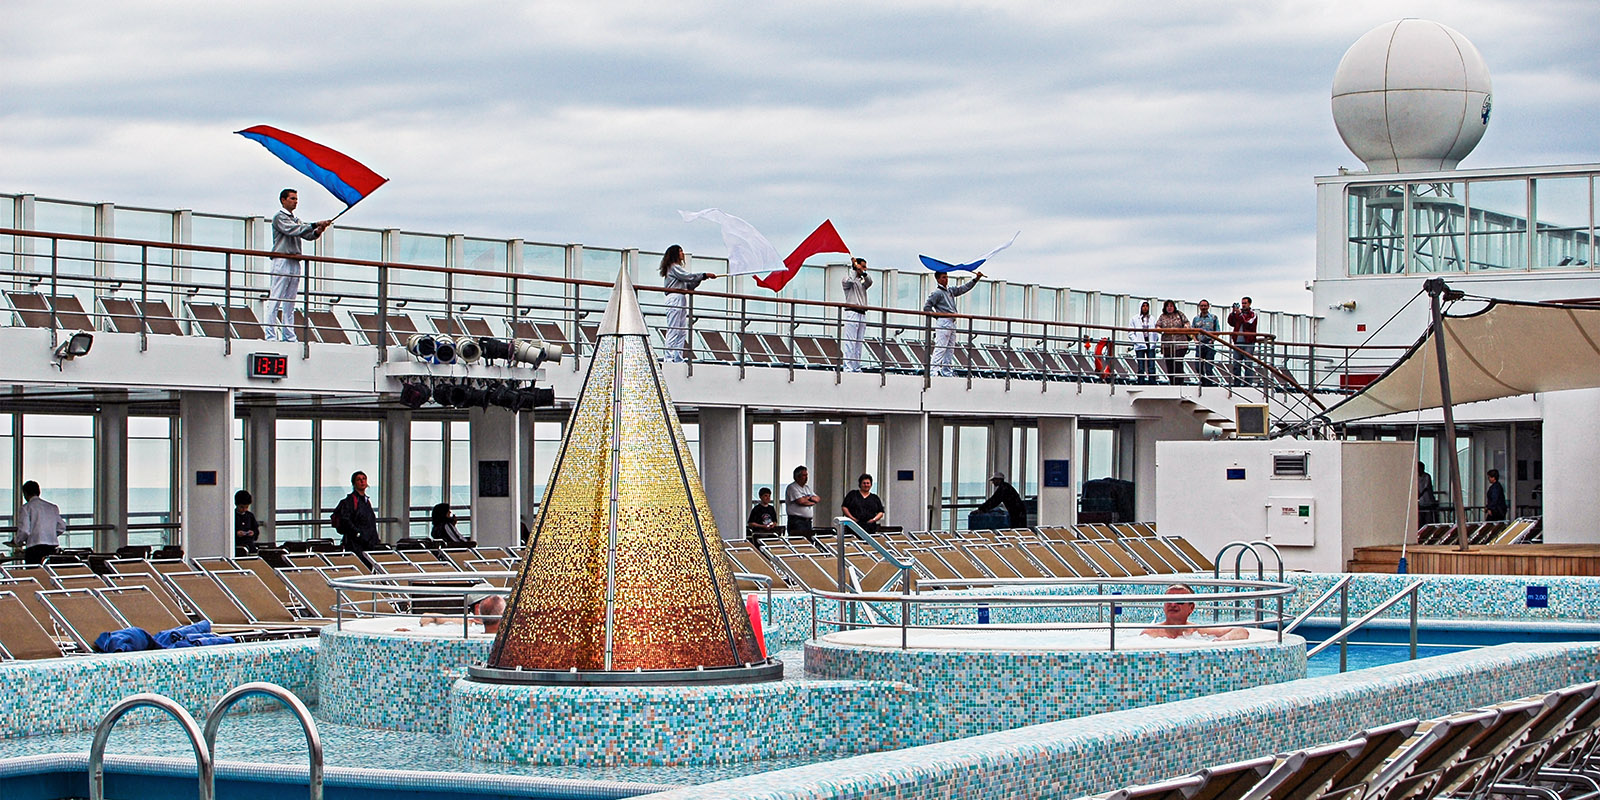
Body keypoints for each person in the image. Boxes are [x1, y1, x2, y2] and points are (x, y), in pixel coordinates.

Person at [267, 189, 331, 342]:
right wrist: (315, 224)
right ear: (283, 200)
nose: (295, 201)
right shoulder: (279, 217)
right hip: (281, 259)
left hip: (295, 260)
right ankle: (270, 334)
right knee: (275, 298)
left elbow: (306, 234)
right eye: (292, 198)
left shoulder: (296, 219)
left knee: (290, 299)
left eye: (296, 199)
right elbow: (292, 230)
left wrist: (318, 230)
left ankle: (289, 335)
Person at [659, 245, 718, 362]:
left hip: (681, 297)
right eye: (680, 251)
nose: (682, 253)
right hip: (674, 297)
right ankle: (669, 357)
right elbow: (687, 277)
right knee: (674, 328)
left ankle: (677, 357)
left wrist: (701, 279)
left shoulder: (676, 269)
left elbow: (689, 284)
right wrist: (703, 275)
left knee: (681, 330)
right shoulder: (673, 267)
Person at [923, 270, 983, 377]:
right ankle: (933, 371)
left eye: (946, 277)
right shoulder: (937, 293)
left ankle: (946, 370)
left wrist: (975, 280)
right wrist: (938, 315)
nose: (946, 279)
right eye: (943, 277)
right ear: (938, 279)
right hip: (944, 321)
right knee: (941, 347)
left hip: (952, 321)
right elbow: (927, 307)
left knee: (950, 348)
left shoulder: (950, 290)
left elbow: (963, 288)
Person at [1141, 584, 1249, 641]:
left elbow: (1241, 631)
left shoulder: (1198, 631)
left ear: (1191, 608)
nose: (1173, 604)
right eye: (1169, 600)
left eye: (1179, 601)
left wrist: (1222, 640)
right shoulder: (1150, 633)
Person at [331, 470, 382, 557]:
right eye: (359, 479)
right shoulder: (351, 501)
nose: (362, 481)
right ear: (354, 483)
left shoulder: (366, 501)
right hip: (356, 544)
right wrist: (358, 534)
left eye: (364, 479)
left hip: (368, 542)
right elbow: (345, 520)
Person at [15, 480, 65, 564]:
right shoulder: (52, 507)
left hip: (34, 548)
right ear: (39, 492)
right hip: (51, 546)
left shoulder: (26, 508)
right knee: (49, 572)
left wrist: (17, 541)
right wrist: (50, 533)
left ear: (25, 494)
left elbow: (24, 530)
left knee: (34, 573)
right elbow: (61, 526)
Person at [841, 257, 873, 371]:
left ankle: (856, 366)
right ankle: (848, 367)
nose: (865, 269)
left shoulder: (862, 283)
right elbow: (849, 280)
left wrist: (863, 272)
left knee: (859, 342)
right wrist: (854, 269)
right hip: (852, 312)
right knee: (851, 341)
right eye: (863, 266)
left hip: (862, 313)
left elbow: (870, 281)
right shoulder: (847, 280)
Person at [1155, 300, 1191, 383]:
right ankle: (1172, 382)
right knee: (1169, 364)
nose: (1169, 308)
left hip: (1180, 343)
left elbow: (1187, 323)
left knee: (1178, 362)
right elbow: (1157, 326)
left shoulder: (1179, 314)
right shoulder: (1162, 316)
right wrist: (1160, 329)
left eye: (1171, 306)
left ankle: (1180, 382)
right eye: (1168, 306)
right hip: (1167, 344)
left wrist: (1183, 329)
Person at [1190, 299, 1221, 385]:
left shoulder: (1213, 318)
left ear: (1208, 307)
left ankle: (1209, 383)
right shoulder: (1196, 319)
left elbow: (1217, 331)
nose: (1203, 308)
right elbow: (1192, 331)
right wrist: (1195, 341)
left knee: (1208, 366)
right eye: (1202, 306)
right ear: (1199, 307)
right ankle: (1202, 382)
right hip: (1199, 343)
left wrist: (1212, 340)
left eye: (1205, 306)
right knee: (1198, 366)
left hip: (1209, 343)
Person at [1227, 296, 1259, 381]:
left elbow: (1248, 323)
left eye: (1245, 303)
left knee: (1248, 363)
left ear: (1249, 304)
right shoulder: (1239, 313)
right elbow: (1231, 322)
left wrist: (1240, 314)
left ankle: (1248, 382)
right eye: (1242, 303)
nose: (1243, 305)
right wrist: (1233, 313)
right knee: (1236, 363)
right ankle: (1237, 382)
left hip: (1248, 342)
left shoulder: (1252, 314)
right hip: (1238, 342)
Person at [1127, 300, 1158, 384]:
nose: (1145, 308)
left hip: (1150, 342)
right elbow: (1130, 332)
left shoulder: (1152, 318)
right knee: (1141, 365)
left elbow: (1155, 331)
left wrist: (1155, 341)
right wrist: (1136, 341)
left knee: (1151, 365)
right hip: (1140, 343)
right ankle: (1141, 381)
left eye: (1147, 306)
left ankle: (1152, 382)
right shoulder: (1134, 318)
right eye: (1143, 306)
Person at [784, 466, 820, 535]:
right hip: (797, 521)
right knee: (799, 542)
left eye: (807, 475)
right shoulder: (792, 487)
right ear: (797, 477)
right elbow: (800, 501)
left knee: (809, 541)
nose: (806, 477)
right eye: (804, 475)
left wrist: (808, 498)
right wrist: (811, 500)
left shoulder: (807, 488)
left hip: (808, 521)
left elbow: (817, 499)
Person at [234, 489, 260, 554]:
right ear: (237, 505)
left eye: (246, 507)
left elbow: (256, 530)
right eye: (241, 507)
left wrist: (253, 533)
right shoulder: (232, 516)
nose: (244, 509)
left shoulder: (250, 516)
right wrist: (236, 534)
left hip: (250, 546)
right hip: (237, 547)